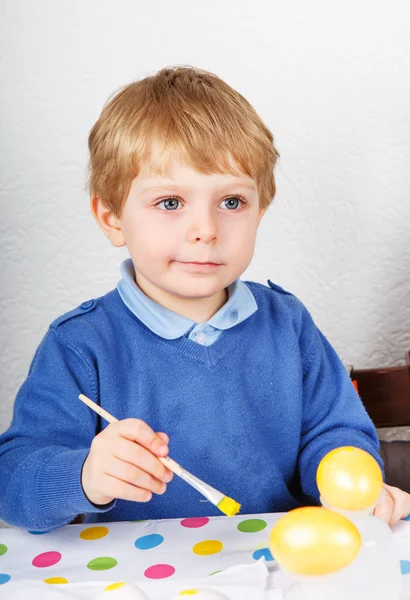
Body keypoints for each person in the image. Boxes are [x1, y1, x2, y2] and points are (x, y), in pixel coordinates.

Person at [0, 66, 409, 531]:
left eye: (232, 202)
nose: (206, 230)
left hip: (276, 567)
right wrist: (84, 476)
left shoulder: (287, 323)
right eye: (170, 202)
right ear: (112, 217)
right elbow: (12, 480)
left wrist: (350, 480)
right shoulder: (80, 345)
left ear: (260, 212)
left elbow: (334, 431)